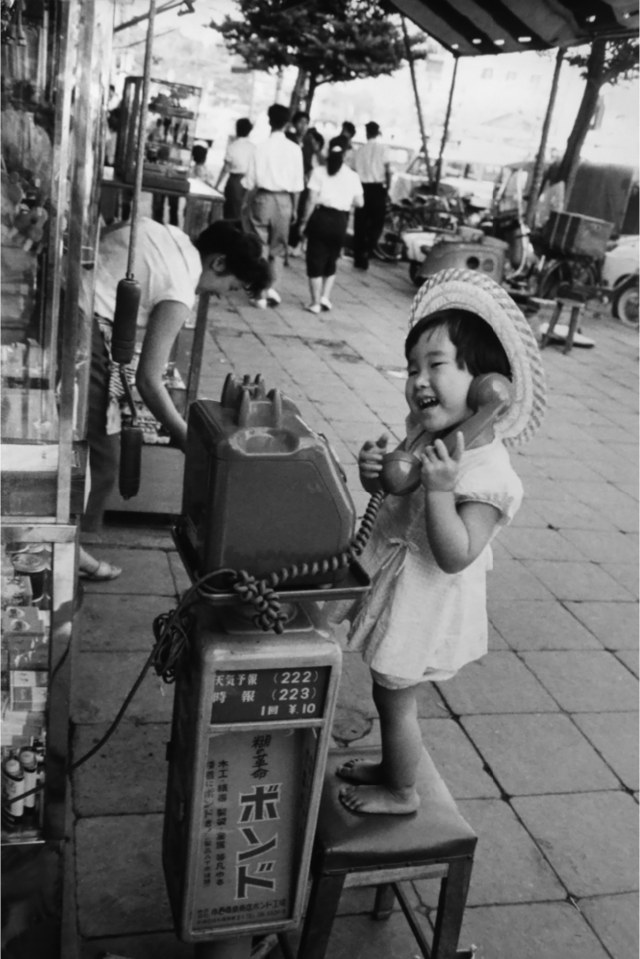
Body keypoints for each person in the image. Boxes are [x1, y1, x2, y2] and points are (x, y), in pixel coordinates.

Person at [334, 268, 546, 814]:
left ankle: (402, 791)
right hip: (397, 584)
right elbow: (393, 487)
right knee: (387, 692)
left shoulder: (485, 473)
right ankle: (390, 766)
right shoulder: (428, 432)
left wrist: (441, 490)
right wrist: (373, 471)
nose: (418, 380)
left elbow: (456, 554)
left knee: (395, 696)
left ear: (485, 388)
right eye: (411, 369)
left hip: (427, 604)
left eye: (435, 366)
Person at [78, 218, 270, 581]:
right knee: (101, 454)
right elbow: (149, 381)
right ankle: (65, 549)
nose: (216, 295)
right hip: (84, 327)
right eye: (225, 287)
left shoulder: (170, 235)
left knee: (86, 443)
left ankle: (65, 543)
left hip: (70, 300)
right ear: (217, 262)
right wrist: (188, 439)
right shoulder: (182, 284)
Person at [242, 103, 305, 308]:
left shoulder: (260, 147)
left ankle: (258, 292)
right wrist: (294, 208)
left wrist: (245, 204)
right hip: (285, 200)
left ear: (269, 121)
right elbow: (297, 184)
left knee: (260, 245)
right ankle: (272, 289)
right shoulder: (295, 149)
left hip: (262, 198)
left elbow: (249, 182)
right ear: (288, 123)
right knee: (278, 247)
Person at [299, 136, 363, 314]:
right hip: (340, 221)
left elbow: (311, 199)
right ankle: (325, 297)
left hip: (320, 218)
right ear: (345, 155)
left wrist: (304, 222)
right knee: (331, 259)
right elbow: (360, 202)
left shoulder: (319, 172)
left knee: (315, 260)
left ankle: (315, 302)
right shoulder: (352, 175)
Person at [352, 121, 391, 270]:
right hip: (377, 189)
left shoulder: (359, 151)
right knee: (377, 222)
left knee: (360, 223)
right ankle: (369, 249)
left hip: (362, 188)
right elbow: (388, 171)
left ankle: (358, 255)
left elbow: (354, 171)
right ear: (378, 132)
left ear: (367, 133)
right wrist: (388, 190)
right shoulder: (384, 149)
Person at [215, 118, 255, 220]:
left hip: (234, 183)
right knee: (244, 215)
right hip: (249, 183)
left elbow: (226, 168)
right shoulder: (254, 148)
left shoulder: (233, 146)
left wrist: (216, 185)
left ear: (236, 129)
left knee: (231, 213)